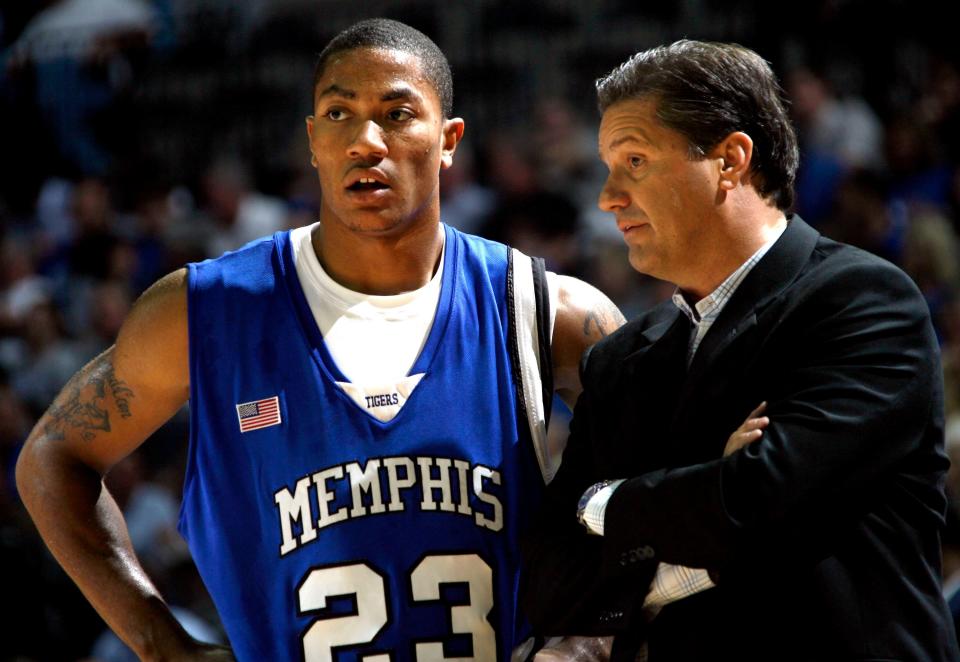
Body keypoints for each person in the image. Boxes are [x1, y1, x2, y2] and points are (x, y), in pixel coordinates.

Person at [15, 18, 633, 661]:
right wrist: (163, 644)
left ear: (449, 141)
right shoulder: (204, 311)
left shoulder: (546, 312)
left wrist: (593, 638)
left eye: (397, 114)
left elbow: (664, 494)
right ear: (313, 141)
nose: (367, 141)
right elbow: (53, 460)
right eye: (339, 113)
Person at [521, 40, 960, 661]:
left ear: (730, 159)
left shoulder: (863, 300)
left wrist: (606, 503)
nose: (607, 197)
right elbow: (547, 584)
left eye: (636, 161)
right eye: (607, 166)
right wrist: (710, 495)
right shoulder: (618, 361)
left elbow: (757, 503)